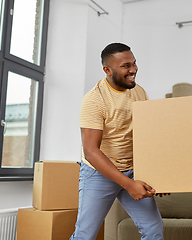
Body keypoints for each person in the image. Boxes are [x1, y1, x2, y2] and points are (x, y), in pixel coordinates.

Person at [70, 43, 164, 240]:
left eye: (134, 63)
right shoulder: (94, 100)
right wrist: (129, 185)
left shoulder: (139, 92)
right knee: (84, 235)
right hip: (99, 173)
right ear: (107, 69)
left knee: (153, 230)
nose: (133, 70)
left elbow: (147, 135)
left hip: (132, 169)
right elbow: (91, 151)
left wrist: (157, 175)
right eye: (126, 66)